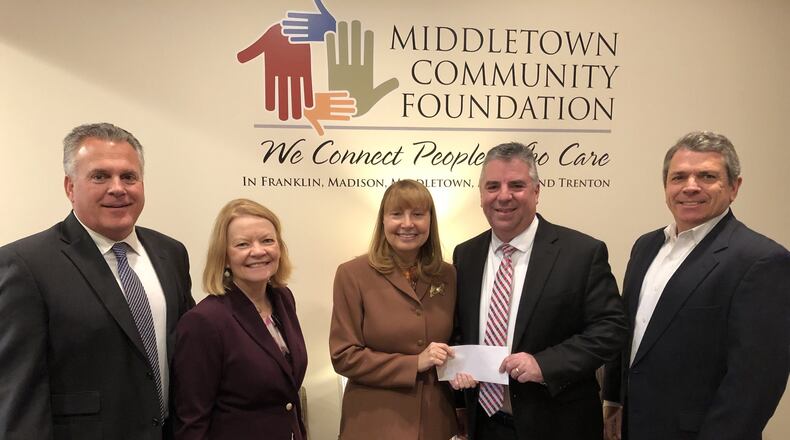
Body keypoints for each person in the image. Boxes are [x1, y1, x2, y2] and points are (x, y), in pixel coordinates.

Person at [0, 122, 194, 439]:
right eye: (100, 176)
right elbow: (19, 394)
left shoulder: (170, 253)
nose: (117, 188)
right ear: (70, 187)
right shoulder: (25, 265)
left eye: (128, 176)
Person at [602, 131, 790, 440]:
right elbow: (627, 335)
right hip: (634, 427)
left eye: (707, 176)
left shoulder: (761, 260)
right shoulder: (646, 246)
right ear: (666, 187)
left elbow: (756, 382)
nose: (690, 186)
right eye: (679, 177)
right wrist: (613, 402)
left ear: (734, 187)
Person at [451, 142, 627, 440]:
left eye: (516, 185)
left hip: (558, 425)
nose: (503, 196)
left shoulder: (582, 253)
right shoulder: (465, 254)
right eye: (492, 186)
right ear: (481, 194)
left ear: (536, 191)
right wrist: (457, 367)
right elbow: (459, 330)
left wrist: (544, 364)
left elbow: (611, 330)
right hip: (486, 426)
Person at [329, 179, 458, 440]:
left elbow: (456, 340)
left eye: (418, 214)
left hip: (435, 422)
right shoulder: (352, 274)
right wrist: (414, 364)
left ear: (430, 221)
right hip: (374, 422)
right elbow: (343, 355)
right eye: (397, 214)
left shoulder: (448, 274)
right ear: (383, 220)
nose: (407, 224)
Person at [173, 199, 307, 440]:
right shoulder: (204, 321)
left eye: (267, 240)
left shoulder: (283, 299)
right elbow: (192, 421)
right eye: (243, 244)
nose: (258, 251)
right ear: (224, 256)